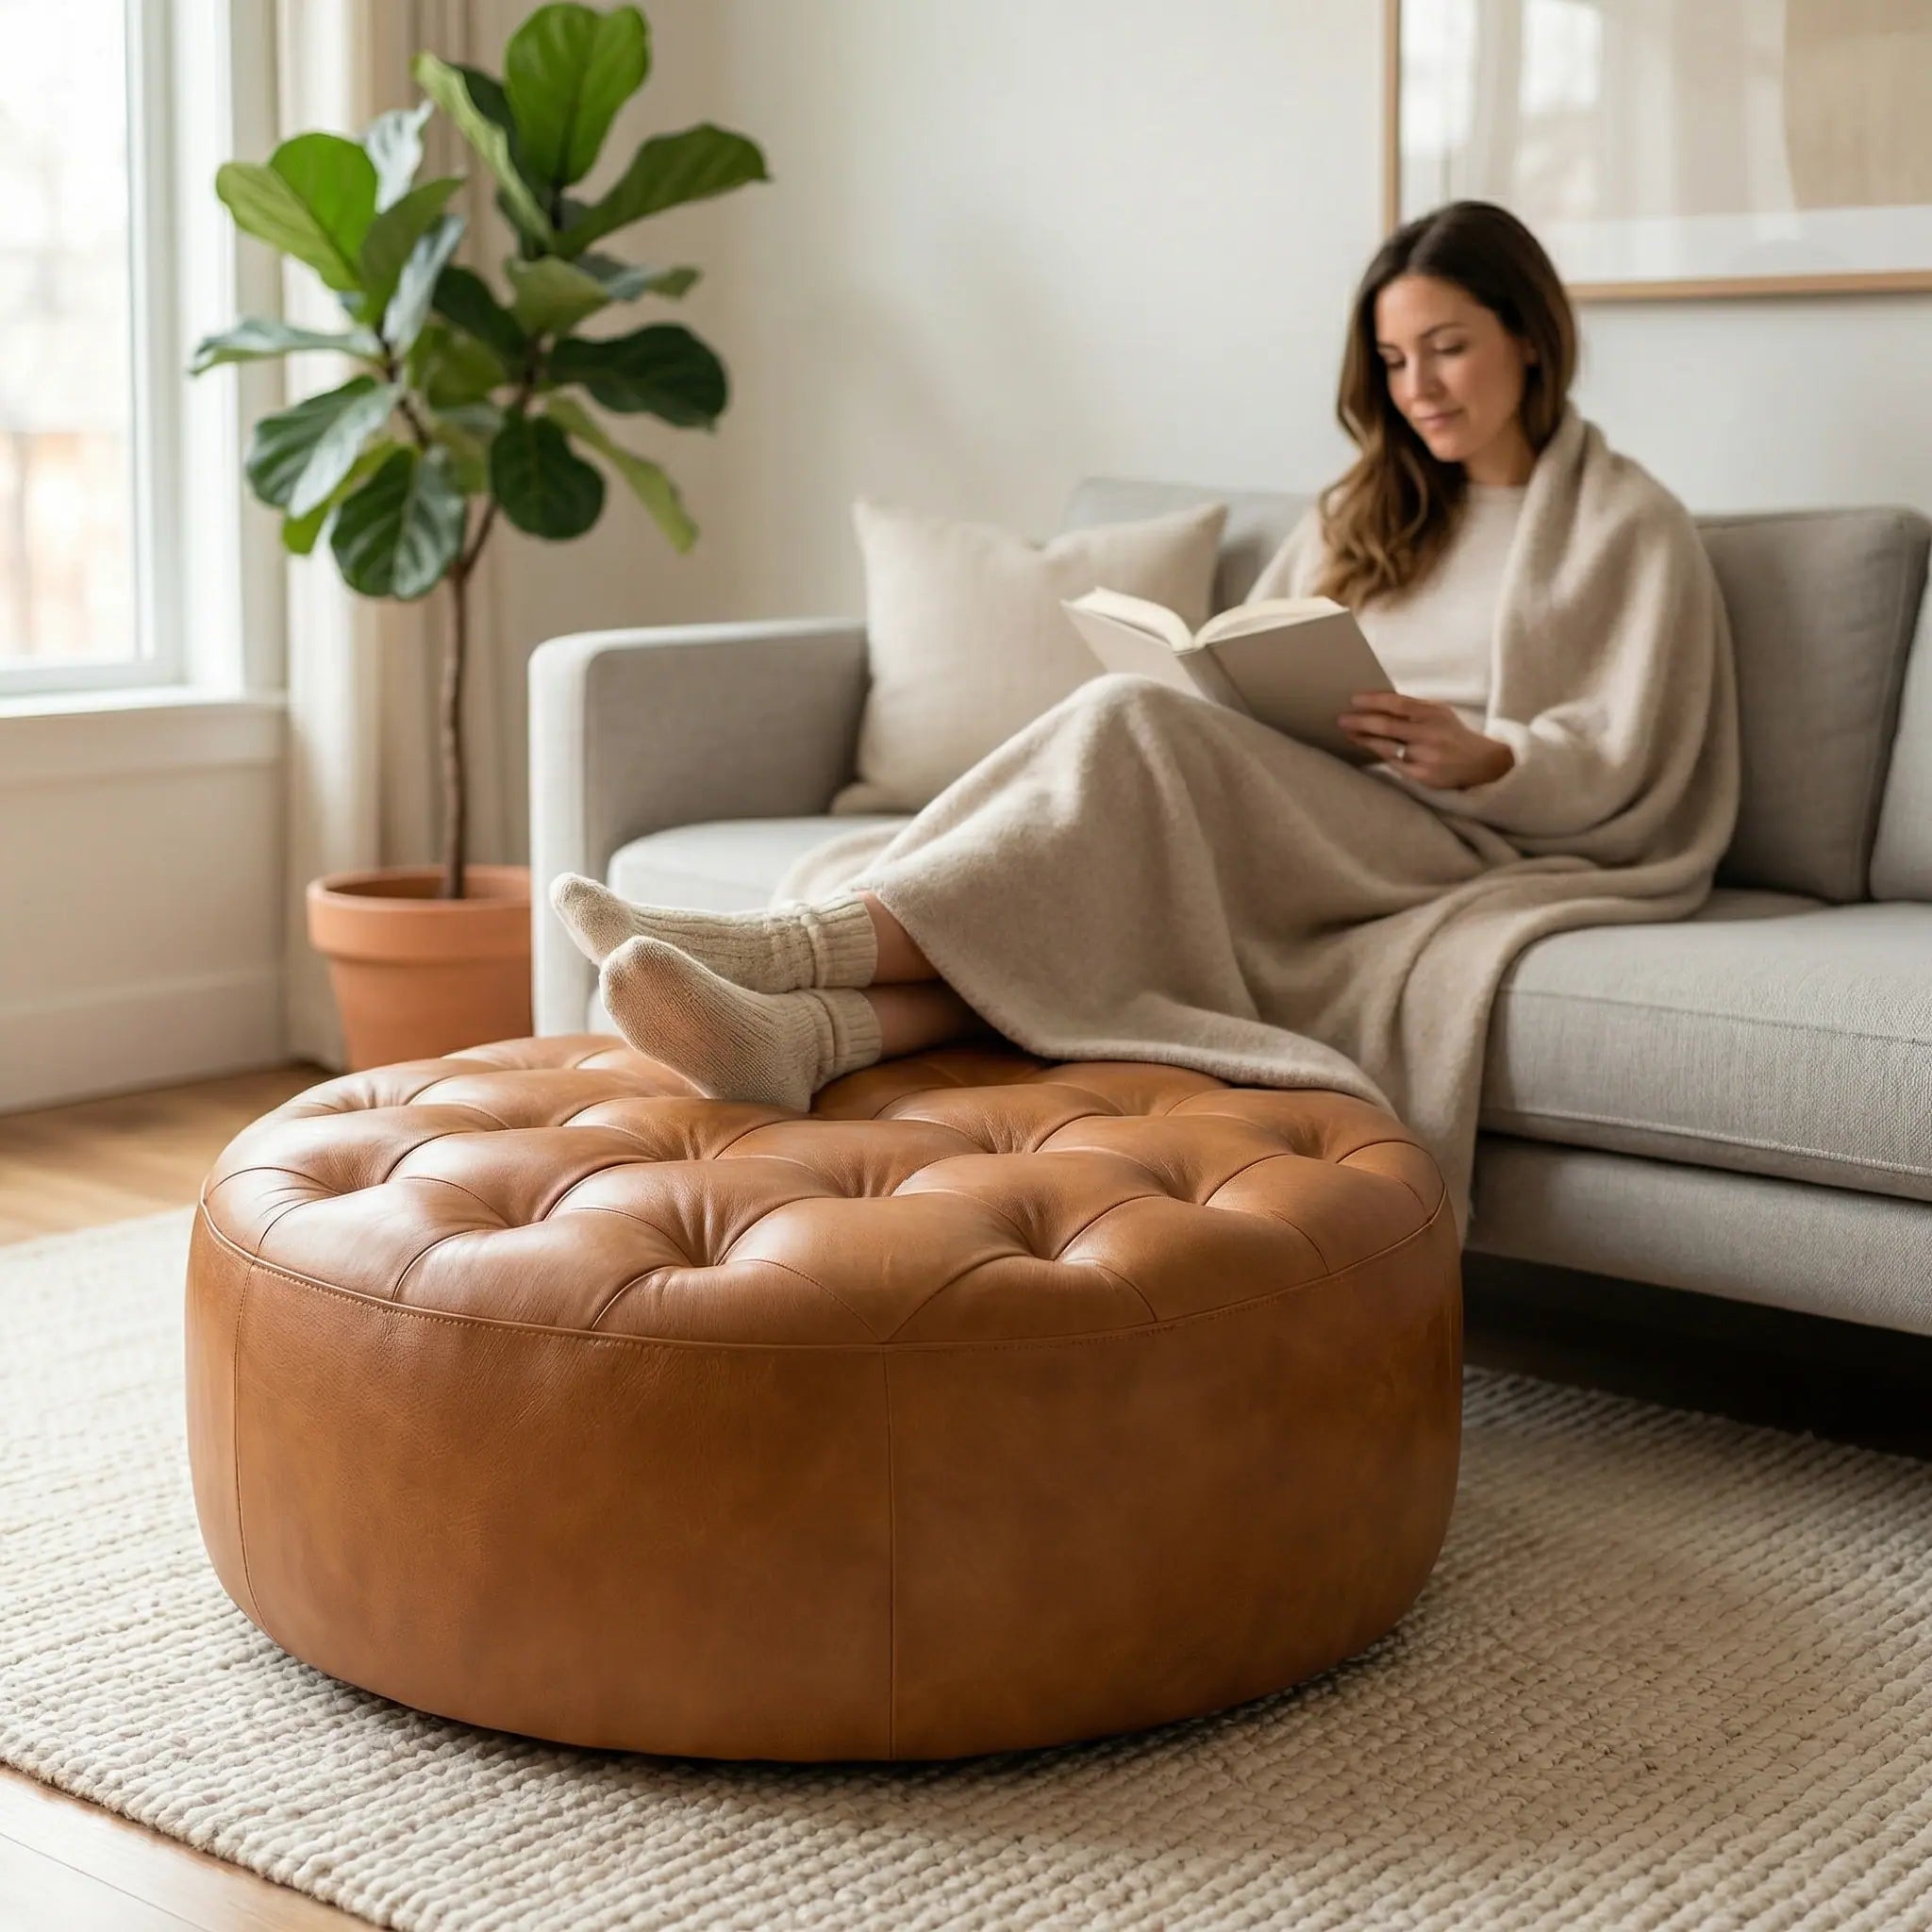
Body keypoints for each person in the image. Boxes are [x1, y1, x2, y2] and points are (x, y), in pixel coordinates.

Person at [547, 199, 1740, 1247]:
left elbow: (1627, 756)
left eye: (1446, 349)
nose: (1417, 387)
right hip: (1302, 803)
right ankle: (803, 1037)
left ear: (1529, 340)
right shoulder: (1361, 502)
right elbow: (1264, 654)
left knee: (1125, 723)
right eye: (1390, 359)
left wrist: (1490, 758)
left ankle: (789, 944)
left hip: (1463, 839)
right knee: (1100, 833)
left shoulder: (1626, 525)